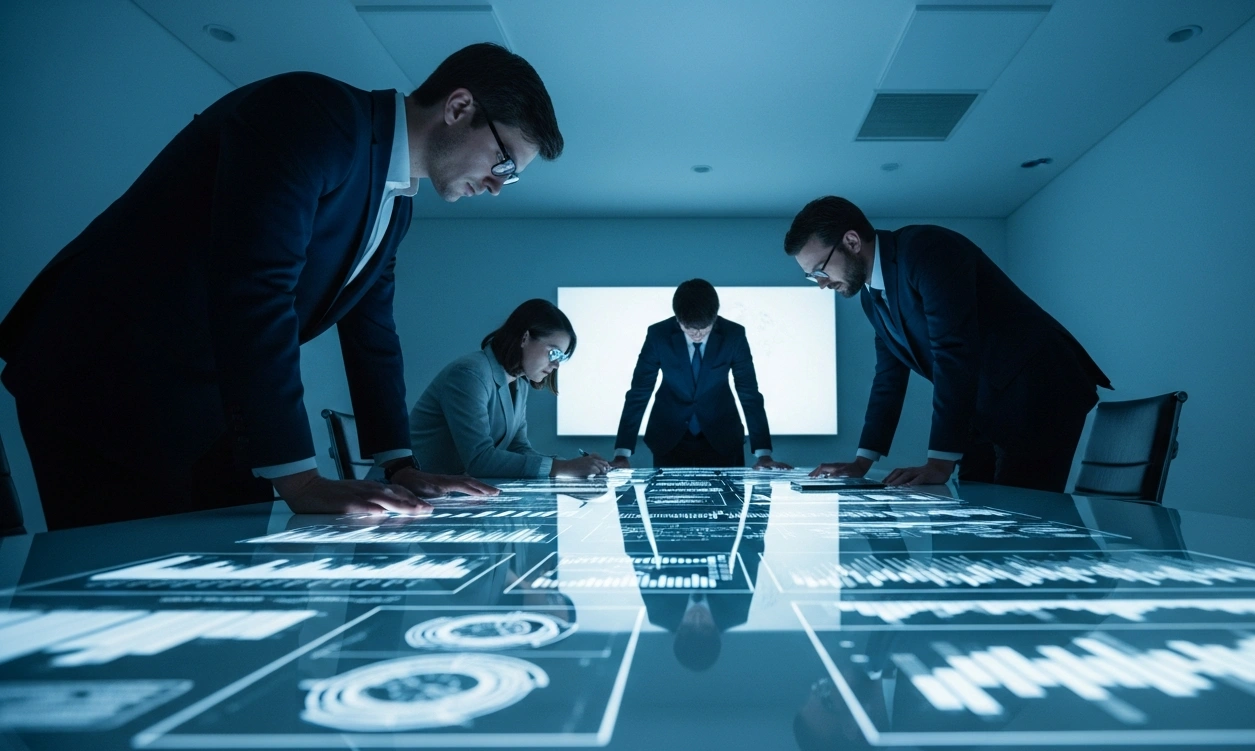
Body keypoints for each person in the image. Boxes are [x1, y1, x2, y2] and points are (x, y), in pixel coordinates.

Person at [0, 43, 564, 529]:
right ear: (459, 107)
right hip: (105, 374)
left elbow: (372, 333)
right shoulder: (315, 113)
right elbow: (257, 287)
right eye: (504, 163)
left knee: (232, 581)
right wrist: (301, 479)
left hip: (207, 402)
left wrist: (399, 465)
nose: (499, 186)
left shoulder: (397, 207)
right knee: (125, 588)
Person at [784, 196, 1111, 491]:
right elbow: (888, 378)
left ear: (852, 241)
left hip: (1039, 388)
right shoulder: (871, 297)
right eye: (812, 277)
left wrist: (939, 461)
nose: (821, 284)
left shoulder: (926, 249)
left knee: (1019, 514)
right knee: (975, 509)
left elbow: (953, 350)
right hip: (984, 404)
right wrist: (862, 462)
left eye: (820, 270)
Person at [411, 299, 610, 478]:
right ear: (525, 338)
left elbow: (518, 447)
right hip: (420, 487)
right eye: (554, 353)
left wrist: (570, 464)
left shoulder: (519, 382)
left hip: (452, 488)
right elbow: (479, 460)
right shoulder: (469, 374)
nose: (556, 365)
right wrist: (564, 467)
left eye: (562, 357)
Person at [610, 279, 790, 470]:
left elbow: (749, 393)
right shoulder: (658, 335)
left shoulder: (734, 335)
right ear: (678, 319)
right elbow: (639, 392)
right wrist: (622, 453)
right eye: (689, 328)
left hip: (723, 438)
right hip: (669, 438)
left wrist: (764, 454)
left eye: (704, 328)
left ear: (715, 317)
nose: (697, 334)